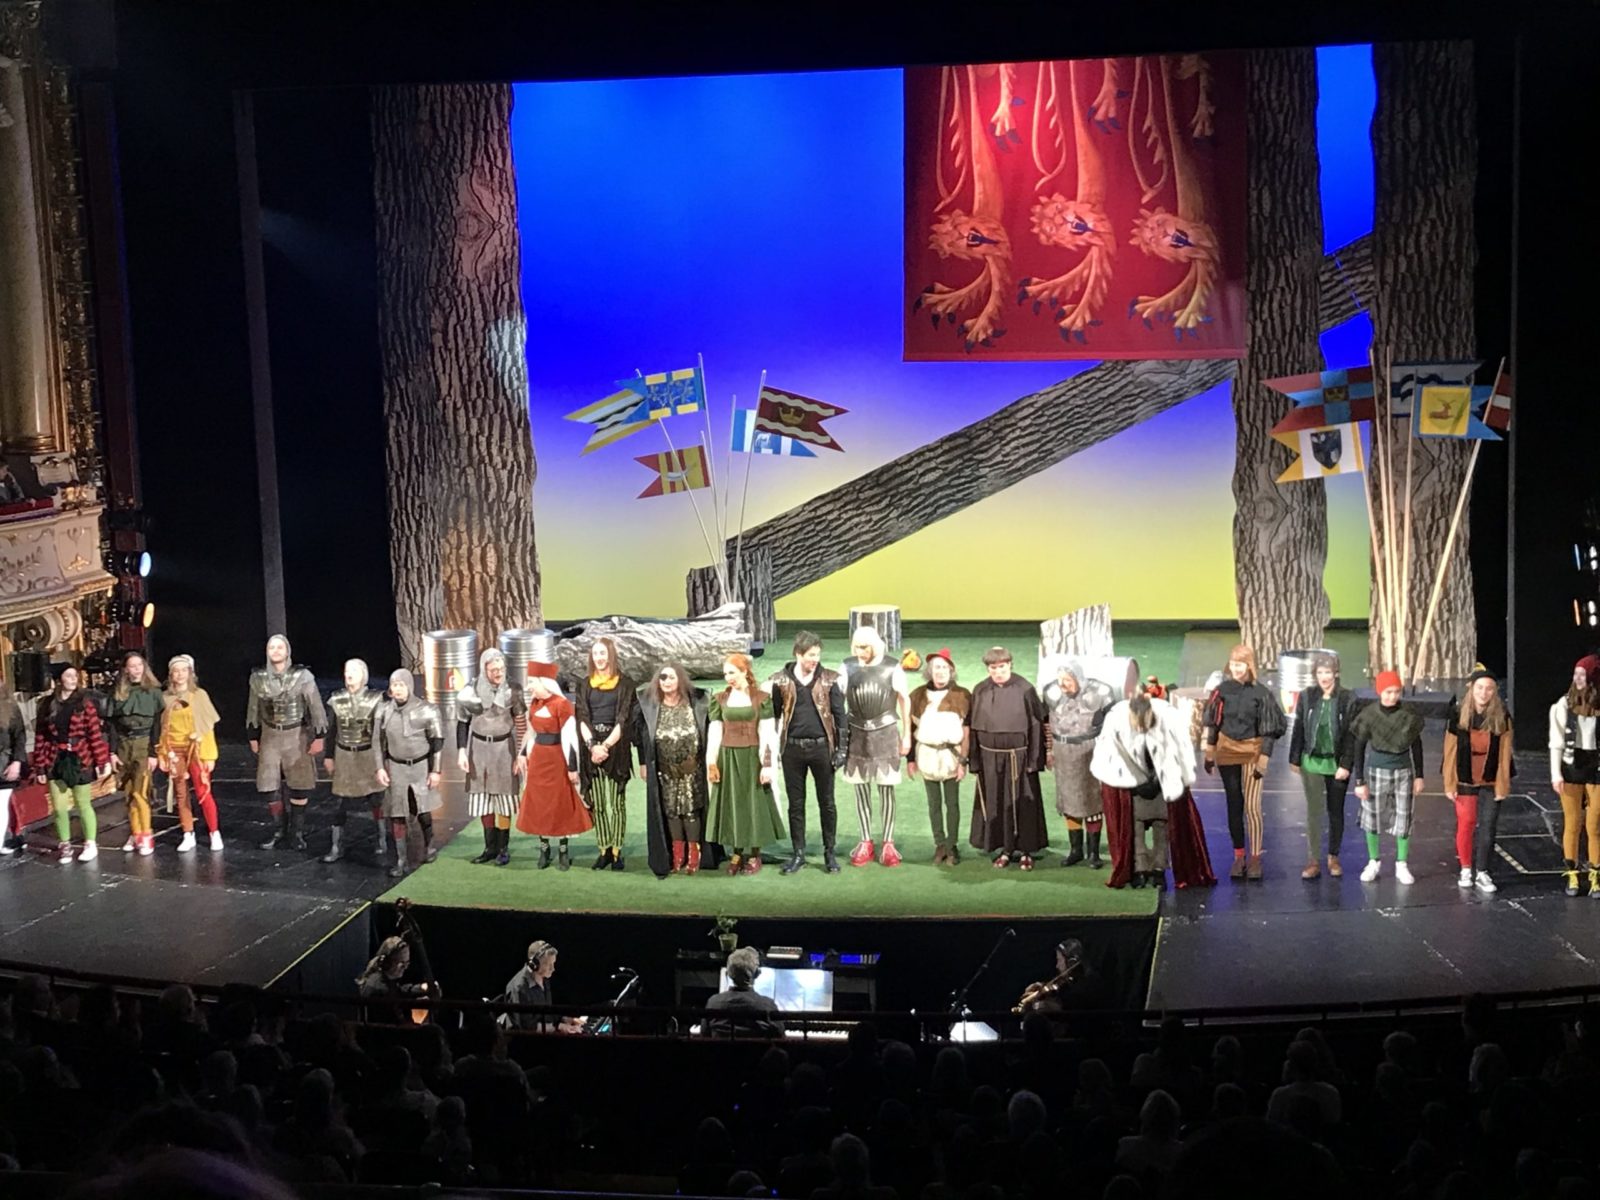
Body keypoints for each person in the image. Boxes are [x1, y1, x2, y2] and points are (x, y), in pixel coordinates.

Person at [1092, 691, 1214, 889]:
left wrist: (1155, 781)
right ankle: (1141, 869)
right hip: (1137, 788)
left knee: (1160, 827)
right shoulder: (1119, 725)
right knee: (1137, 828)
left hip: (1159, 787)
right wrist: (1138, 783)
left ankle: (1157, 870)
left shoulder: (1165, 724)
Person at [1202, 644, 1285, 881]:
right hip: (1227, 751)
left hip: (1252, 752)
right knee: (1234, 803)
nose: (1236, 668)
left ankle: (1255, 857)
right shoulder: (1222, 691)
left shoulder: (1261, 693)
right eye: (1233, 664)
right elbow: (1213, 723)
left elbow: (1270, 729)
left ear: (1249, 665)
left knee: (1252, 807)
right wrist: (1210, 752)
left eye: (1241, 664)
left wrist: (1264, 759)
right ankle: (1239, 856)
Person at [767, 630, 847, 875]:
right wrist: (772, 751)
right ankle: (798, 853)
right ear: (798, 654)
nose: (815, 660)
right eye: (811, 655)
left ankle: (829, 853)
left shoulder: (830, 679)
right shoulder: (780, 681)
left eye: (817, 655)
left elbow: (840, 717)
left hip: (822, 749)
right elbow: (774, 717)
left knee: (827, 803)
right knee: (796, 804)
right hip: (792, 750)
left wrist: (842, 750)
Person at [968, 647, 1049, 869]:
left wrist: (1034, 760)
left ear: (1010, 665)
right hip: (989, 759)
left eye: (1002, 667)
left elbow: (1036, 725)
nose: (998, 672)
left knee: (1023, 804)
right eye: (993, 668)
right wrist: (974, 760)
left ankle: (1026, 850)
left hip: (1019, 760)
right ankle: (1004, 848)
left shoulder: (1025, 689)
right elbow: (973, 728)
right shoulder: (980, 690)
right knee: (995, 803)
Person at [246, 634, 327, 852]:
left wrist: (320, 736)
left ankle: (296, 833)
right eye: (272, 647)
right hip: (270, 735)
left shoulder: (302, 676)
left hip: (296, 734)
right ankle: (279, 830)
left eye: (280, 647)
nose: (276, 651)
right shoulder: (258, 677)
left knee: (300, 784)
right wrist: (253, 736)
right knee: (269, 785)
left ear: (287, 650)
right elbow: (253, 708)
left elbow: (315, 706)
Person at [706, 653, 784, 874]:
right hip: (728, 757)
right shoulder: (720, 699)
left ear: (744, 671)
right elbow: (715, 732)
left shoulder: (761, 699)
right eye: (725, 674)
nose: (728, 677)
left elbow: (767, 733)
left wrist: (767, 765)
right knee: (733, 803)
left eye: (732, 672)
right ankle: (737, 852)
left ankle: (755, 853)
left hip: (752, 758)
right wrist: (712, 763)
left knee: (754, 803)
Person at [840, 627, 911, 867]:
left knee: (886, 788)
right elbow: (838, 700)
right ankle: (865, 841)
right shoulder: (847, 667)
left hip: (886, 732)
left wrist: (907, 735)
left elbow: (904, 700)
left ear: (875, 645)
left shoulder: (892, 667)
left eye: (864, 647)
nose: (860, 652)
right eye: (857, 647)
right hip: (856, 733)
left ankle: (888, 843)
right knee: (860, 788)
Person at [1287, 653, 1360, 880]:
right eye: (1320, 672)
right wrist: (1294, 757)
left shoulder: (1348, 698)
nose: (1324, 677)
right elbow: (1299, 726)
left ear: (1336, 673)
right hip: (1312, 763)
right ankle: (1313, 860)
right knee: (1314, 811)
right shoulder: (1307, 696)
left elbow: (1352, 735)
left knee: (1335, 811)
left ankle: (1333, 856)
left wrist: (1346, 764)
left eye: (1328, 672)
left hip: (1336, 764)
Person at [30, 664, 113, 863]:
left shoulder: (84, 703)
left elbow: (94, 734)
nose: (73, 679)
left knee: (83, 803)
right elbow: (41, 736)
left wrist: (101, 760)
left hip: (80, 757)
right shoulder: (47, 704)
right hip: (55, 758)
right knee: (59, 807)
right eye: (68, 676)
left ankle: (90, 843)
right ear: (59, 680)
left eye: (75, 676)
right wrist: (40, 766)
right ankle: (65, 844)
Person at [1349, 670, 1425, 884]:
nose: (1392, 696)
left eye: (1396, 692)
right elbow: (1359, 747)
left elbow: (1416, 745)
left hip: (1404, 771)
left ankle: (1402, 863)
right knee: (1372, 816)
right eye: (1388, 692)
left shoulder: (1409, 714)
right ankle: (1373, 861)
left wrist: (1419, 775)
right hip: (1377, 771)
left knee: (1404, 816)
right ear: (1379, 691)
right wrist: (1359, 781)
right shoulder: (1369, 714)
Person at [634, 662, 710, 876]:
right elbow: (640, 738)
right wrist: (643, 763)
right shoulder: (649, 707)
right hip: (665, 771)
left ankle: (694, 855)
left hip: (692, 771)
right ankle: (677, 855)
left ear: (680, 680)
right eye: (663, 678)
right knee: (671, 812)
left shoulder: (697, 703)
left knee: (690, 811)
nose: (666, 682)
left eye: (671, 677)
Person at [1444, 665, 1515, 894]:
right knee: (1466, 823)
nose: (1484, 693)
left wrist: (1503, 783)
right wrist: (1449, 782)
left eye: (1489, 689)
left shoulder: (1502, 716)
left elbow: (1505, 753)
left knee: (1488, 825)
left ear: (1494, 691)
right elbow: (1450, 750)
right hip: (1465, 777)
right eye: (1480, 688)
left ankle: (1483, 871)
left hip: (1491, 778)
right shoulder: (1458, 713)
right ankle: (1466, 868)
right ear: (1472, 688)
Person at [516, 661, 591, 870]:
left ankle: (563, 850)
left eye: (532, 682)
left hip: (557, 760)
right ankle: (544, 848)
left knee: (560, 804)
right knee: (540, 804)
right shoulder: (534, 704)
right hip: (538, 761)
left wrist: (572, 767)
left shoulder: (562, 704)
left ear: (544, 682)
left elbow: (570, 738)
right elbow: (531, 733)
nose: (529, 687)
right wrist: (523, 754)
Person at [572, 637, 638, 870]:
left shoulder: (625, 684)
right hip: (591, 750)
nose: (599, 658)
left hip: (616, 750)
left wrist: (606, 746)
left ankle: (617, 851)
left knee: (617, 804)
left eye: (603, 653)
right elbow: (581, 716)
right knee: (598, 805)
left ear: (611, 655)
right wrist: (592, 746)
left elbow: (624, 719)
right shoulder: (584, 685)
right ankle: (604, 849)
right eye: (596, 654)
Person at [456, 648, 526, 868]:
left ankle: (503, 848)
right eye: (493, 669)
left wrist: (520, 754)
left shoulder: (513, 690)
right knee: (483, 799)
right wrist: (461, 751)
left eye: (501, 668)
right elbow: (462, 723)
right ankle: (490, 847)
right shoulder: (471, 691)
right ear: (484, 669)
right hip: (478, 749)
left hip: (504, 749)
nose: (498, 673)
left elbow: (521, 723)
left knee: (504, 799)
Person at [1042, 657, 1113, 869]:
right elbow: (1046, 724)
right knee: (1069, 802)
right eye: (1060, 680)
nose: (1063, 685)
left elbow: (1111, 723)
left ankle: (1093, 853)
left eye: (1067, 680)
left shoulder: (1099, 693)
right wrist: (1049, 750)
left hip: (1089, 752)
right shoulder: (1052, 693)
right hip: (1063, 752)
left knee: (1092, 802)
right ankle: (1076, 850)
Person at [376, 667, 444, 879]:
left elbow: (437, 742)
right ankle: (401, 859)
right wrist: (380, 767)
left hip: (420, 766)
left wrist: (435, 770)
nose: (397, 689)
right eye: (394, 685)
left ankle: (429, 846)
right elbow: (377, 743)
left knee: (422, 809)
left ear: (409, 686)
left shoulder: (427, 710)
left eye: (401, 685)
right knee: (397, 813)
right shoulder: (383, 710)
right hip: (396, 767)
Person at [907, 648, 971, 866]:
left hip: (951, 756)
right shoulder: (917, 696)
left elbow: (967, 732)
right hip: (927, 755)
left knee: (952, 804)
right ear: (929, 671)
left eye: (944, 667)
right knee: (933, 803)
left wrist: (963, 761)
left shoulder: (962, 696)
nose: (940, 671)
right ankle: (940, 844)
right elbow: (910, 729)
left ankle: (952, 845)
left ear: (951, 670)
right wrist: (910, 760)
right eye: (936, 667)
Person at [321, 658, 387, 865]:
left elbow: (381, 735)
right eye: (347, 670)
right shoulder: (337, 699)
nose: (349, 675)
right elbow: (332, 731)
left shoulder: (375, 699)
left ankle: (382, 838)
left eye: (354, 671)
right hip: (344, 756)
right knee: (339, 802)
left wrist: (382, 763)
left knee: (376, 799)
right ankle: (336, 845)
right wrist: (329, 756)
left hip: (368, 755)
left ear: (363, 675)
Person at [155, 654, 224, 853]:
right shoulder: (165, 698)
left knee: (203, 790)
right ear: (171, 674)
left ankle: (214, 832)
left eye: (184, 670)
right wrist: (162, 754)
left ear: (190, 673)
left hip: (197, 748)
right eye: (176, 671)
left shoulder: (199, 695)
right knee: (181, 793)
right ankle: (188, 833)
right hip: (174, 750)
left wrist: (209, 756)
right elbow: (163, 729)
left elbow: (207, 728)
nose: (180, 674)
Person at [1548, 655, 1600, 897]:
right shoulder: (1563, 704)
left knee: (1594, 824)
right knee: (1573, 822)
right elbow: (1555, 742)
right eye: (1576, 673)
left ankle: (1595, 873)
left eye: (1583, 674)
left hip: (1596, 767)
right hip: (1571, 766)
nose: (1578, 678)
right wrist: (1555, 773)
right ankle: (1572, 874)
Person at [108, 652, 163, 856]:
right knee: (129, 793)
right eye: (132, 666)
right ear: (125, 670)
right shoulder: (119, 693)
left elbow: (157, 725)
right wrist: (112, 752)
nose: (137, 669)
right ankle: (135, 832)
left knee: (141, 792)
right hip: (124, 745)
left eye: (139, 665)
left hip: (143, 744)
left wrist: (153, 752)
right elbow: (112, 725)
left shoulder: (153, 692)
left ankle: (146, 834)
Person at [501, 940, 584, 1033]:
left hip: (543, 1034)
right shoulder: (519, 987)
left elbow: (546, 1013)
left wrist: (567, 1019)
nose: (553, 969)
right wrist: (559, 1027)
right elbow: (526, 1027)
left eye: (553, 963)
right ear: (534, 964)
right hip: (523, 1039)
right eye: (548, 964)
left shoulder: (544, 978)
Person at [704, 946, 784, 1037]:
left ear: (728, 974)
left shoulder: (713, 1003)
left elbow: (704, 1036)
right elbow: (781, 1038)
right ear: (757, 974)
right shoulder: (768, 1005)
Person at [356, 935, 431, 1024]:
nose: (405, 967)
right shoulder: (381, 989)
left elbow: (399, 990)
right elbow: (398, 1024)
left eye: (407, 963)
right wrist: (424, 1019)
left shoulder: (382, 979)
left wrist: (421, 988)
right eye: (401, 963)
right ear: (386, 961)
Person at [0, 677, 29, 856]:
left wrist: (17, 762)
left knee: (0, 804)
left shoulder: (9, 707)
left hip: (4, 763)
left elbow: (20, 736)